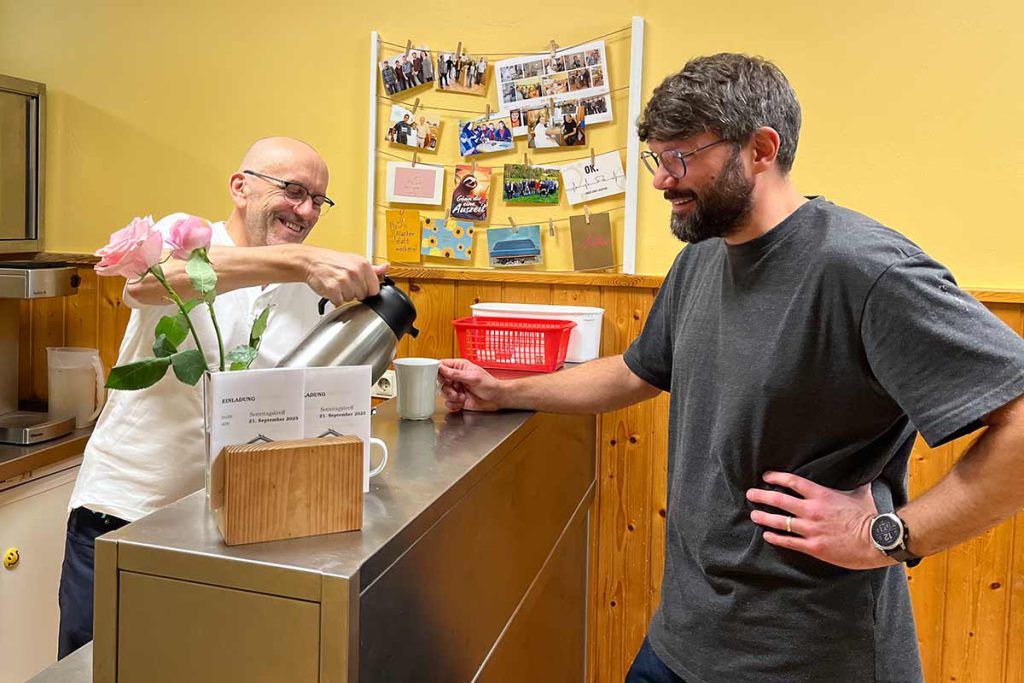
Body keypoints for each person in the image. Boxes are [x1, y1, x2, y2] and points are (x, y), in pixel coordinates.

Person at [438, 53, 1024, 682]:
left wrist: (887, 535)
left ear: (761, 149)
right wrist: (505, 391)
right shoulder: (701, 258)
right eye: (657, 160)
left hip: (809, 660)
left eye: (681, 158)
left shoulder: (866, 269)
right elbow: (635, 372)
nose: (663, 181)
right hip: (682, 641)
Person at [58, 137, 388, 659]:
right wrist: (300, 261)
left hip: (230, 529)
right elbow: (146, 285)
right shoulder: (186, 237)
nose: (306, 211)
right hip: (124, 513)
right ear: (240, 187)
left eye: (317, 200)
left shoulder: (311, 295)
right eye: (293, 190)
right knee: (95, 666)